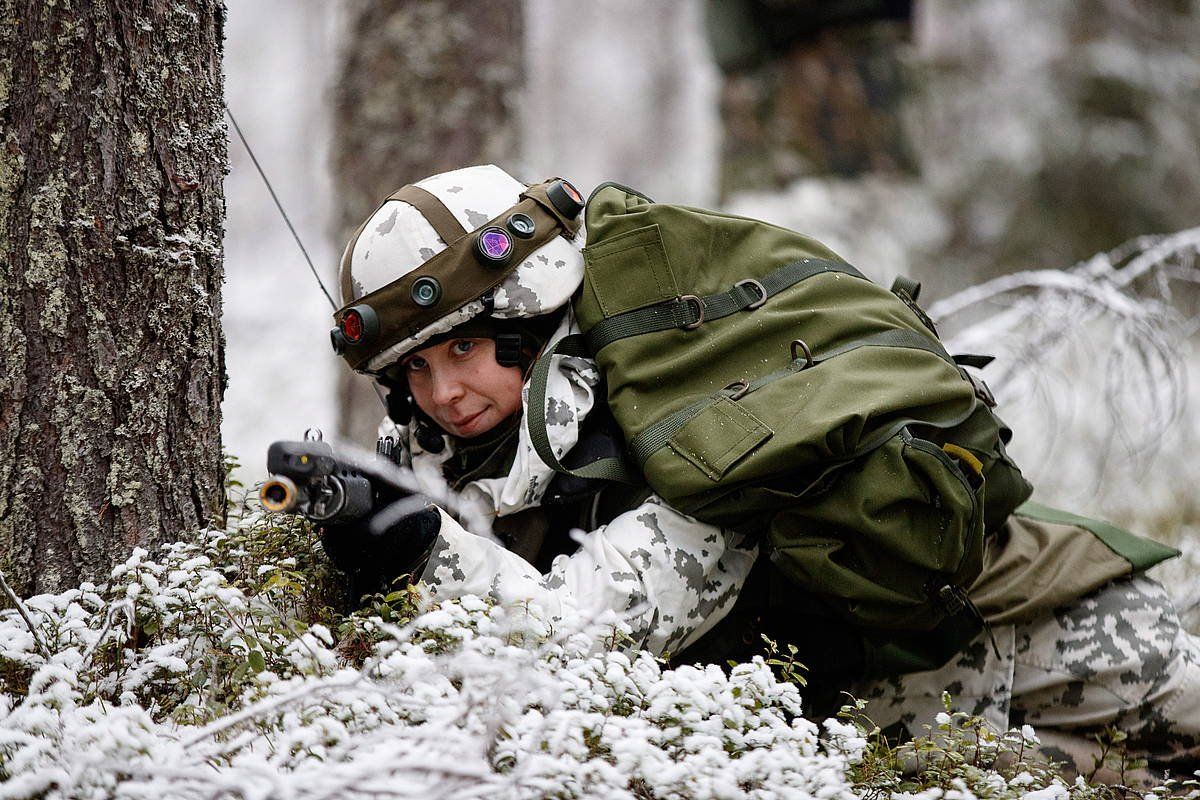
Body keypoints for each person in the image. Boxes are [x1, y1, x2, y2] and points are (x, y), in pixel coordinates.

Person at [319, 164, 1200, 781]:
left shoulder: (690, 429)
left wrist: (422, 547)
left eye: (463, 348)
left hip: (1066, 653)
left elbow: (577, 643)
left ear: (527, 320)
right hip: (930, 726)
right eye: (414, 373)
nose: (442, 393)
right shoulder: (507, 448)